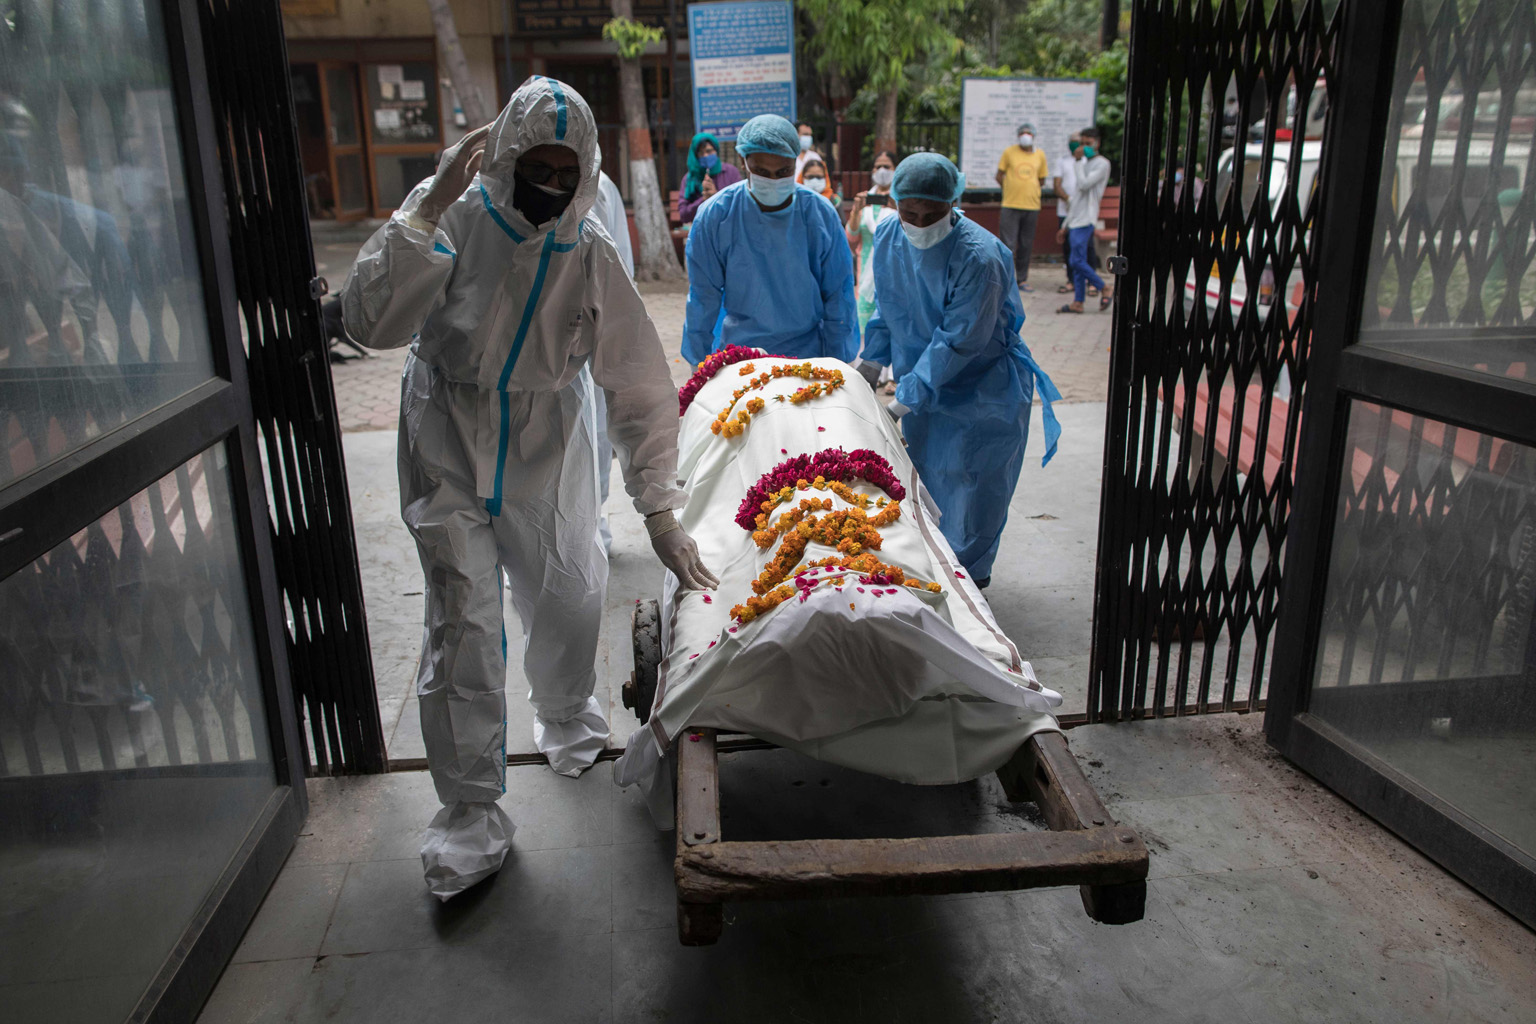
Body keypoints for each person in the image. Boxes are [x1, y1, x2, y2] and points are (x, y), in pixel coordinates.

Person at [341, 77, 717, 901]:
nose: (548, 185)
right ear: (504, 157)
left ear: (582, 171)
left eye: (564, 169)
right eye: (533, 166)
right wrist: (424, 209)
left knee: (570, 587)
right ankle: (470, 815)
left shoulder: (588, 251)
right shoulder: (452, 218)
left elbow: (639, 382)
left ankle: (563, 710)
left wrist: (659, 507)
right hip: (446, 425)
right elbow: (368, 323)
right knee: (462, 619)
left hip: (550, 437)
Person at [862, 154, 1061, 588]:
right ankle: (931, 574)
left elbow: (959, 340)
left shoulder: (981, 256)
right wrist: (870, 363)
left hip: (982, 388)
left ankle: (969, 586)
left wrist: (901, 402)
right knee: (925, 482)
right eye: (907, 212)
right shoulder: (889, 236)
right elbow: (887, 306)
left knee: (972, 489)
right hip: (924, 382)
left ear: (954, 202)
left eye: (931, 214)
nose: (917, 223)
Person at [682, 113, 857, 365]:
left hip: (808, 354)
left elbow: (838, 295)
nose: (773, 180)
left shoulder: (819, 214)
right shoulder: (716, 215)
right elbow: (702, 295)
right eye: (762, 171)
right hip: (741, 357)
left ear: (796, 162)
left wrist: (839, 362)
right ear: (744, 163)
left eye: (783, 171)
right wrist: (698, 364)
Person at [591, 169, 632, 554]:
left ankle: (593, 529)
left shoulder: (599, 187)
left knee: (595, 443)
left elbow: (619, 265)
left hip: (592, 342)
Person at [1056, 127, 1112, 314]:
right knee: (1076, 261)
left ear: (1097, 144)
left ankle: (1104, 287)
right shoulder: (1084, 163)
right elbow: (1077, 197)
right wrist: (1065, 225)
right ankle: (1078, 302)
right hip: (1075, 219)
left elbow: (1084, 184)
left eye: (1088, 144)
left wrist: (1078, 161)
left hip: (1086, 219)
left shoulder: (1102, 164)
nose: (1084, 147)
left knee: (1076, 260)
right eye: (1082, 144)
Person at [846, 149, 898, 340]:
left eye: (887, 166)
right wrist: (855, 212)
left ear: (895, 169)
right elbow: (851, 239)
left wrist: (897, 208)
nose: (882, 170)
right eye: (878, 166)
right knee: (864, 331)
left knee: (891, 327)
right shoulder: (864, 200)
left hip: (893, 273)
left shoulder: (901, 202)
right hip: (865, 274)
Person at [994, 121, 1048, 291]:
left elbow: (1042, 179)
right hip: (1010, 204)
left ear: (1033, 136)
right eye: (1022, 133)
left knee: (1026, 244)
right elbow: (999, 175)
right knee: (1007, 245)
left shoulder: (1040, 155)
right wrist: (1010, 189)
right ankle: (1006, 281)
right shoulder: (1009, 152)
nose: (1025, 136)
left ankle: (1022, 279)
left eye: (1029, 133)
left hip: (1031, 206)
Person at [678, 132, 741, 225]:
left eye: (709, 151)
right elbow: (684, 215)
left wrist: (716, 197)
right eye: (701, 153)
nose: (706, 156)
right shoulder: (690, 179)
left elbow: (740, 204)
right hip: (703, 228)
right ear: (696, 156)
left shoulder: (730, 172)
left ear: (716, 151)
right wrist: (703, 200)